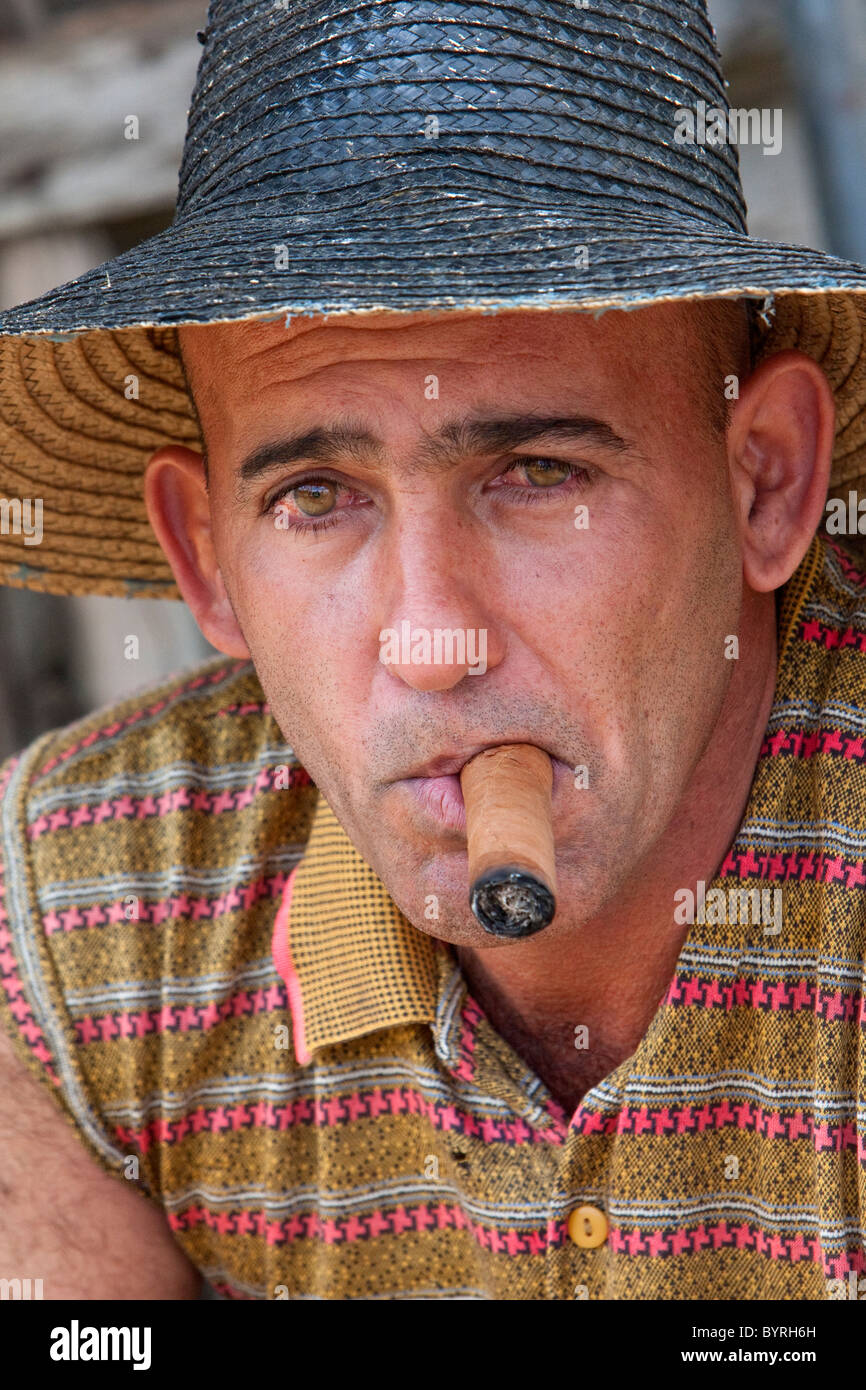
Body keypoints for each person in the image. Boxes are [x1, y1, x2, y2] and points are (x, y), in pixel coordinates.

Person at [1, 0, 865, 1301]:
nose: (430, 636)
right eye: (315, 498)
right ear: (205, 562)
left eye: (534, 472)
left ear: (765, 482)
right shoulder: (80, 922)